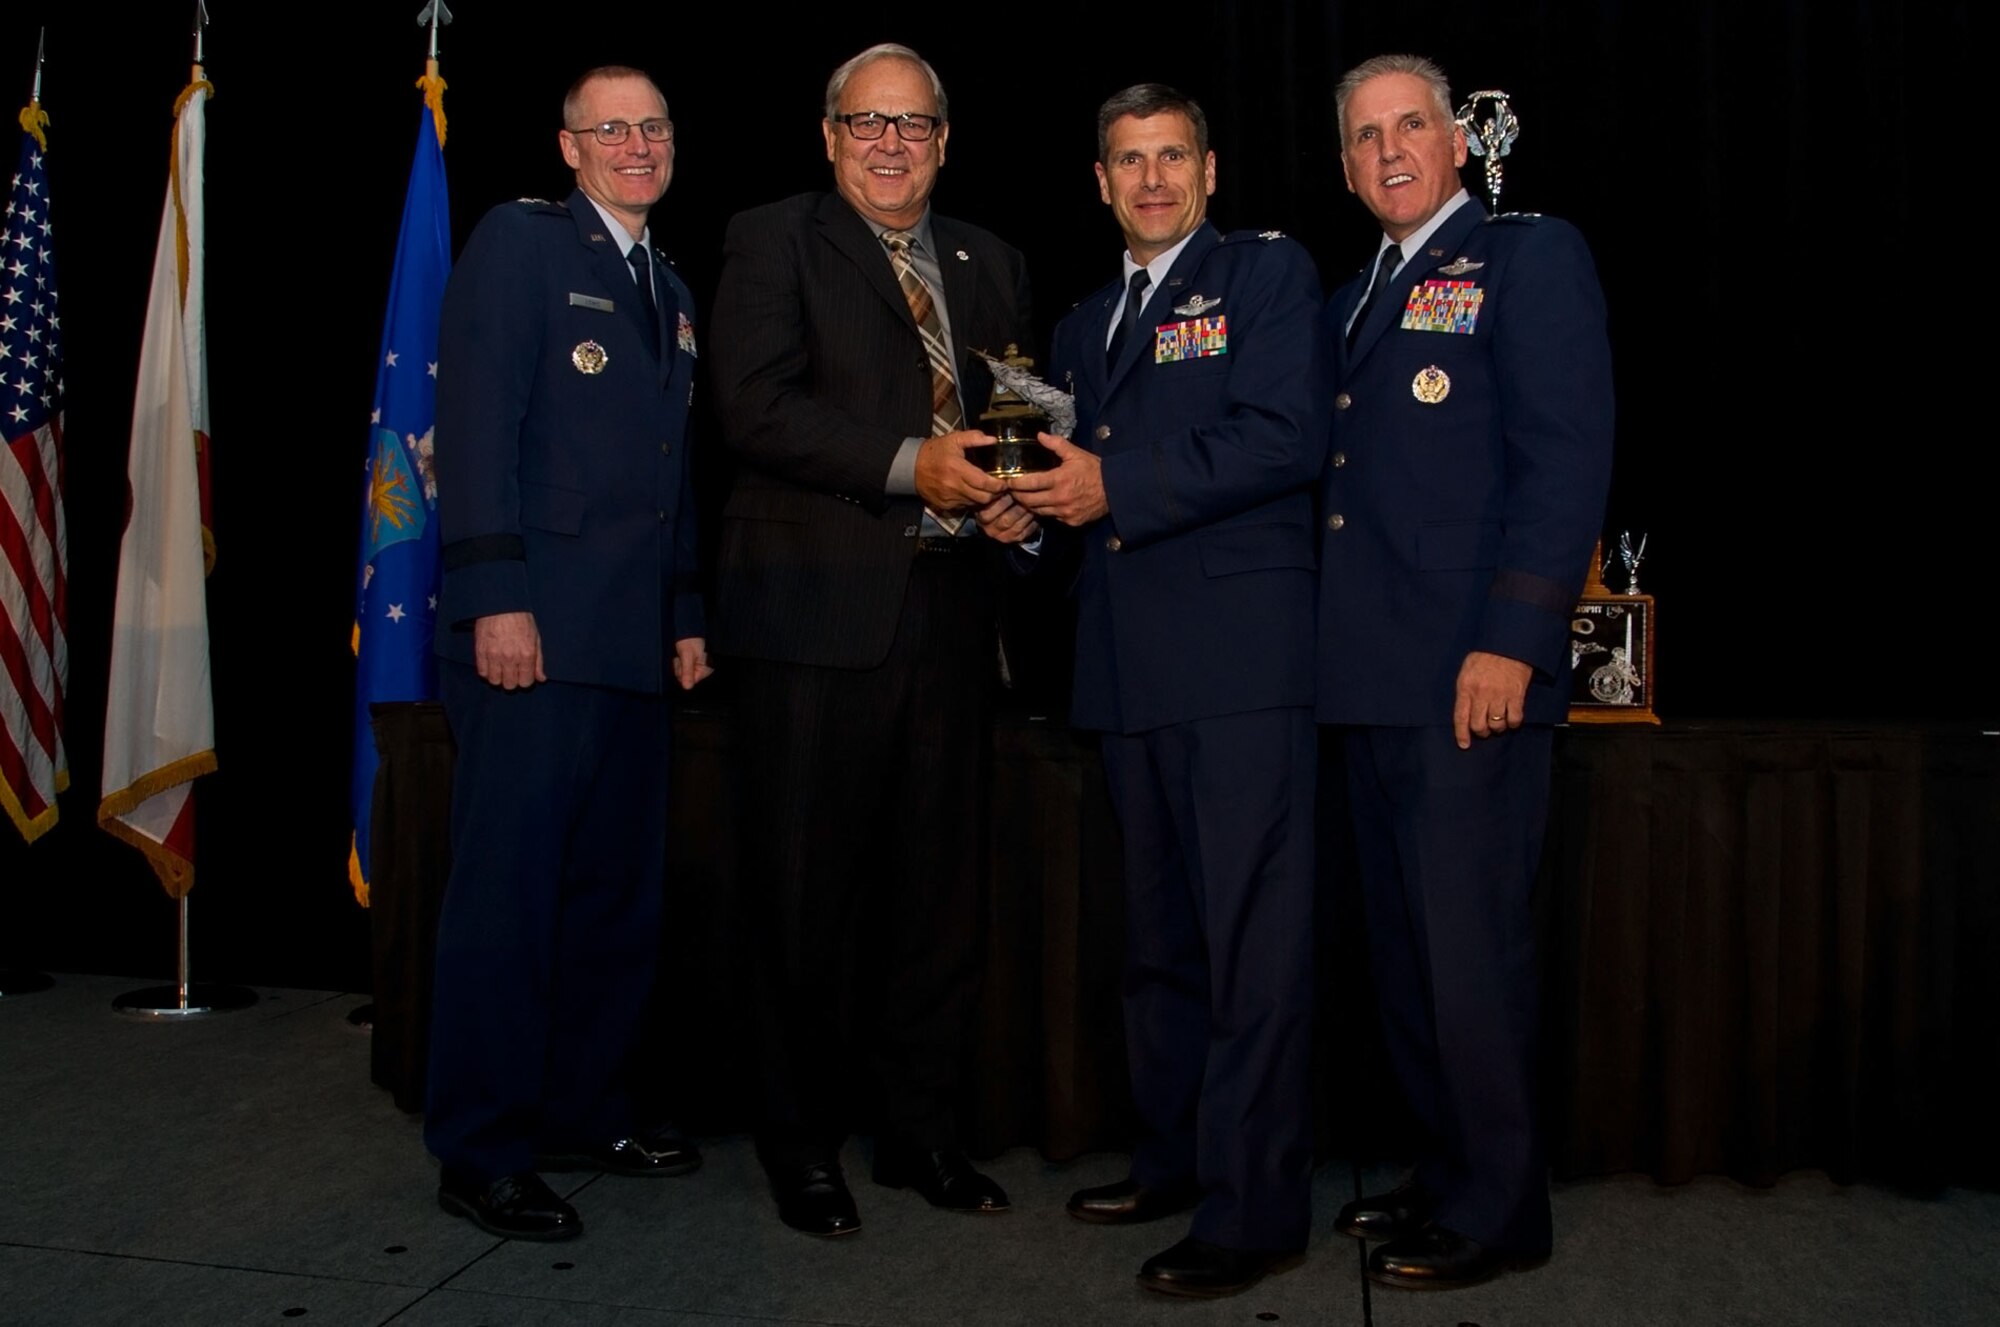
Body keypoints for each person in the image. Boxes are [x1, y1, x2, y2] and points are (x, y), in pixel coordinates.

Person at [706, 42, 1035, 1238]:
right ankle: (800, 1147)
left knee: (935, 899)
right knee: (801, 899)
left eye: (912, 124)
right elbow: (752, 404)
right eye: (866, 123)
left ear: (944, 141)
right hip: (810, 619)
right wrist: (914, 467)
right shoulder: (772, 238)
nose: (889, 143)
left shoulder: (990, 260)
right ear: (828, 136)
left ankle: (919, 1134)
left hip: (953, 619)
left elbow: (1008, 417)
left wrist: (1011, 496)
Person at [1009, 84, 1330, 1298]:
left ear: (1208, 170)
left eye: (1170, 157)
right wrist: (1014, 512)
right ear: (1099, 182)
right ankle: (1176, 1158)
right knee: (1158, 947)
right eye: (1127, 161)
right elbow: (1059, 481)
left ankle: (1255, 1210)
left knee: (1253, 948)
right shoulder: (1084, 324)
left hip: (1243, 664)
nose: (1150, 180)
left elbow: (1283, 436)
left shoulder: (1265, 278)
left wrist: (1113, 490)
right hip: (1125, 668)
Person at [1317, 53, 1614, 1289]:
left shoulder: (1525, 258)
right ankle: (1443, 1173)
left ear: (1454, 141)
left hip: (1469, 676)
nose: (1389, 149)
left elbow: (1565, 455)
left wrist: (1513, 636)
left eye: (1410, 126)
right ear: (1343, 164)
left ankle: (1500, 1210)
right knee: (1406, 955)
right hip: (1372, 680)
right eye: (1364, 135)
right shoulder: (1351, 294)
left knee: (1471, 955)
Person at [425, 65, 712, 1241]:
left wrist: (685, 610)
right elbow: (477, 425)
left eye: (652, 126)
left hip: (630, 643)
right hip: (530, 637)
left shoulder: (670, 285)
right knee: (506, 900)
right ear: (568, 146)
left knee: (613, 899)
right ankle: (479, 1147)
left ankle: (586, 1112)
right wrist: (495, 594)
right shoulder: (520, 245)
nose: (636, 145)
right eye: (612, 130)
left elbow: (668, 475)